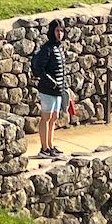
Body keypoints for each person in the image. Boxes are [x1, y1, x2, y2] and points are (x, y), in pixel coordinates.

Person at [32, 20, 75, 157]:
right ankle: (44, 148)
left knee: (54, 117)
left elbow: (62, 70)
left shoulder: (59, 48)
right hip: (47, 89)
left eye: (61, 31)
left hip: (58, 89)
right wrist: (51, 82)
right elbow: (39, 69)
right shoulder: (47, 49)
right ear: (52, 32)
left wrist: (64, 87)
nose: (60, 34)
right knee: (46, 117)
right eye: (57, 31)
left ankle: (50, 146)